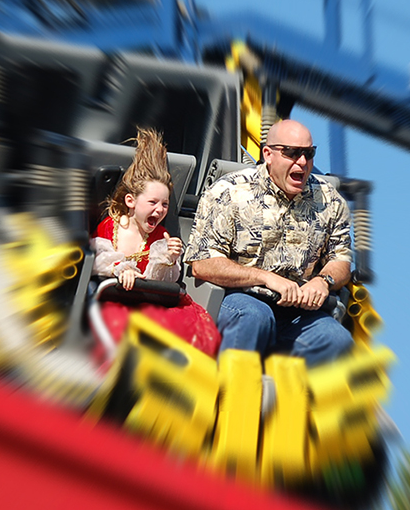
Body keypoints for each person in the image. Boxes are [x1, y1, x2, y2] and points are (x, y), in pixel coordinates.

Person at [185, 120, 353, 367]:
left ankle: (289, 400)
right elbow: (202, 263)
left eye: (309, 153)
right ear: (268, 154)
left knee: (336, 339)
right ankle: (230, 396)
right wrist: (265, 278)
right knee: (254, 316)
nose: (302, 162)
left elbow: (341, 259)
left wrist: (323, 281)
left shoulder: (330, 201)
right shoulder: (230, 191)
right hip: (239, 299)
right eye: (292, 153)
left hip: (299, 313)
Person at [91, 128, 220, 363]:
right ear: (130, 201)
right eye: (152, 202)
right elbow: (99, 257)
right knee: (122, 329)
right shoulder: (112, 226)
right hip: (117, 300)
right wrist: (122, 268)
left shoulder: (161, 234)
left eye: (164, 204)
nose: (159, 210)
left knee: (178, 329)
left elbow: (164, 281)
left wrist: (168, 260)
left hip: (148, 302)